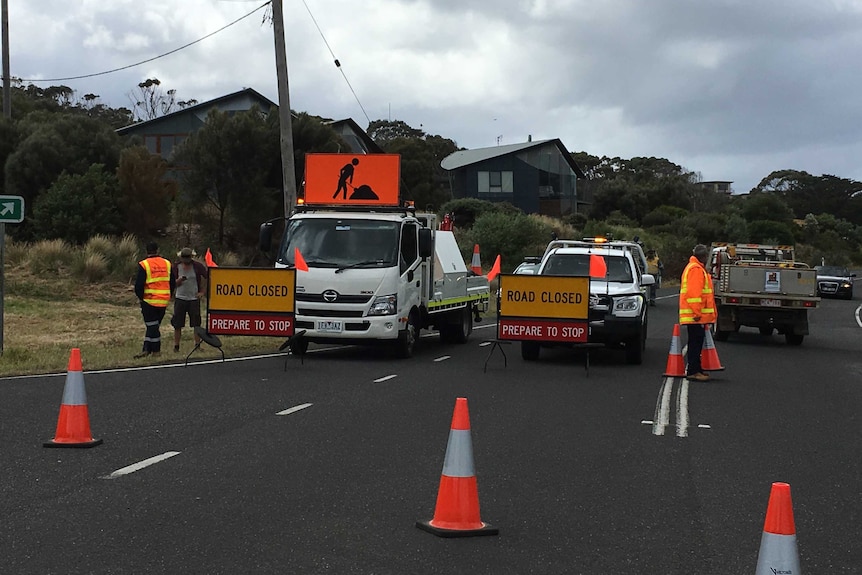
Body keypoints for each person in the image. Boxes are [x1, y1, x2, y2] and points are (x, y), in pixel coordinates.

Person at [679, 244, 716, 381]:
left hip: (697, 316)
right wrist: (696, 313)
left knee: (696, 342)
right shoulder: (695, 269)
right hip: (695, 316)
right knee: (695, 343)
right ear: (704, 256)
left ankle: (697, 369)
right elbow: (694, 294)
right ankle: (693, 371)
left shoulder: (696, 268)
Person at [134, 242, 175, 358]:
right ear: (158, 250)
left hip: (149, 300)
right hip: (163, 300)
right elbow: (172, 283)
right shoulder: (167, 263)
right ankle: (146, 349)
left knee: (152, 326)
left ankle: (156, 351)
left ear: (147, 251)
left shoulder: (144, 264)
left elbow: (139, 285)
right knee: (153, 326)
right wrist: (168, 295)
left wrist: (142, 298)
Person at [171, 247, 208, 352]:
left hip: (193, 298)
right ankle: (176, 346)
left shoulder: (198, 266)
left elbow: (206, 278)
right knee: (177, 323)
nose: (186, 260)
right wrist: (179, 281)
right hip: (180, 298)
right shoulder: (176, 267)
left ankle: (197, 345)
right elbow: (172, 283)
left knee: (196, 323)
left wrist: (202, 292)